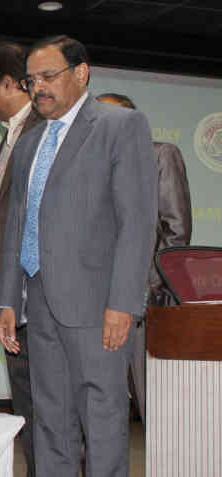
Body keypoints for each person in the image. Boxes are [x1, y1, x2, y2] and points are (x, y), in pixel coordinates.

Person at [0, 36, 157, 477]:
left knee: (102, 420)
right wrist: (8, 298)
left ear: (81, 73)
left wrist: (123, 304)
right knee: (49, 419)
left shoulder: (120, 126)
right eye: (32, 80)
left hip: (98, 304)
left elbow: (137, 223)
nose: (39, 88)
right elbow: (17, 226)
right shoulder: (29, 143)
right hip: (38, 300)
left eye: (48, 77)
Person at [97, 93, 192, 424]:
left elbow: (176, 232)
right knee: (100, 405)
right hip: (96, 303)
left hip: (144, 303)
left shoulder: (160, 155)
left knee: (155, 405)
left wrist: (145, 285)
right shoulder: (91, 168)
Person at [0, 40, 42, 477]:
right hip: (13, 299)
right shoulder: (14, 133)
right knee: (28, 406)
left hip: (38, 296)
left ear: (7, 83)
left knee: (47, 407)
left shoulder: (43, 129)